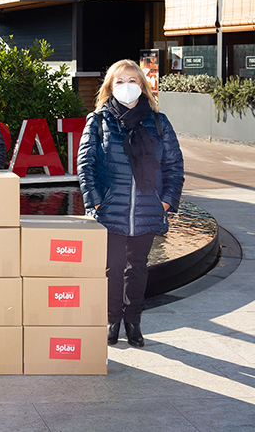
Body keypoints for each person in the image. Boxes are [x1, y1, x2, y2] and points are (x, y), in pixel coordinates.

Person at [77, 59, 184, 348]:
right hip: (111, 210)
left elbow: (174, 167)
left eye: (132, 81)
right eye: (120, 82)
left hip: (148, 209)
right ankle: (112, 320)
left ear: (143, 86)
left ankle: (133, 321)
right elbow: (86, 165)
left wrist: (164, 203)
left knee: (137, 267)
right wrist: (97, 203)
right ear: (110, 88)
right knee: (112, 268)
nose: (127, 87)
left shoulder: (159, 122)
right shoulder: (99, 120)